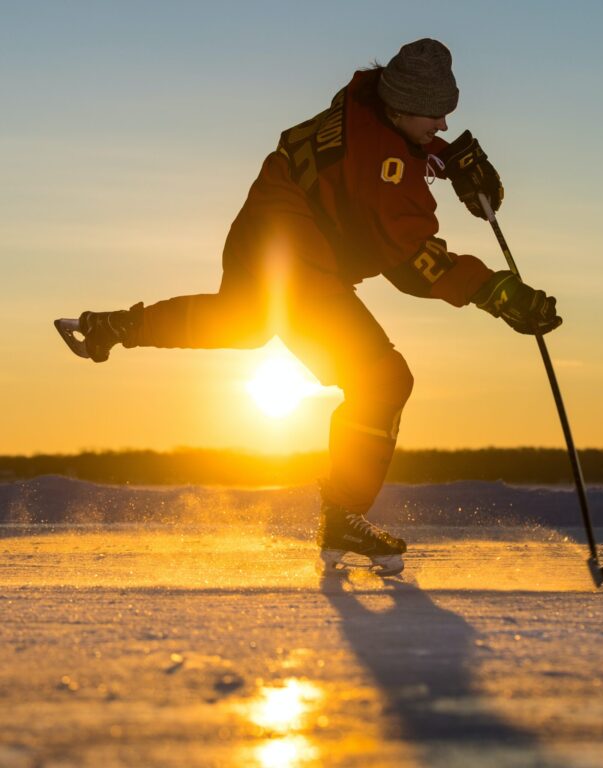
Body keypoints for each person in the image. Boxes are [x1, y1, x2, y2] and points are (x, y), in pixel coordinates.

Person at [55, 39, 561, 576]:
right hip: (298, 263)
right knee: (383, 379)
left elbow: (369, 156)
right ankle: (342, 514)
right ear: (402, 105)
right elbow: (413, 264)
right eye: (434, 114)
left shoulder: (364, 99)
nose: (443, 120)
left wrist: (441, 158)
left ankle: (114, 326)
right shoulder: (384, 167)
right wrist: (498, 292)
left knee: (243, 322)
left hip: (263, 230)